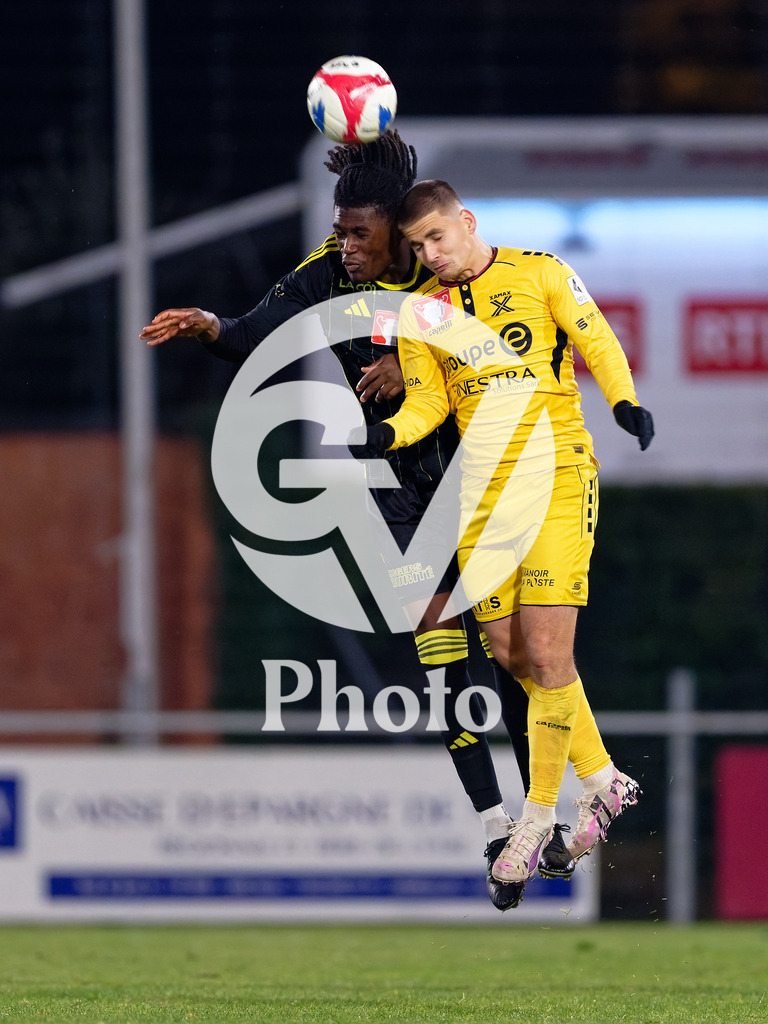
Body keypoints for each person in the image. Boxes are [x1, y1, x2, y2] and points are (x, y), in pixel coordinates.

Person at [140, 134, 565, 911]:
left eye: (358, 234)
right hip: (400, 493)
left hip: (480, 477)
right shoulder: (328, 273)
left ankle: (544, 814)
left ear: (396, 231)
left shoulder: (445, 268)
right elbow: (251, 333)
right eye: (339, 233)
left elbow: (510, 350)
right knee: (441, 652)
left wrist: (417, 358)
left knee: (510, 652)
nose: (346, 247)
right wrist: (209, 324)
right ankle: (494, 826)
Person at [351, 178, 654, 890]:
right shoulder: (422, 313)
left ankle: (535, 822)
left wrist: (624, 402)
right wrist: (387, 434)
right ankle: (604, 779)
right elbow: (429, 401)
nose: (431, 253)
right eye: (418, 245)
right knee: (513, 653)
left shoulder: (540, 271)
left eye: (437, 237)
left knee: (547, 650)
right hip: (480, 497)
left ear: (466, 221)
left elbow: (597, 337)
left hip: (555, 477)